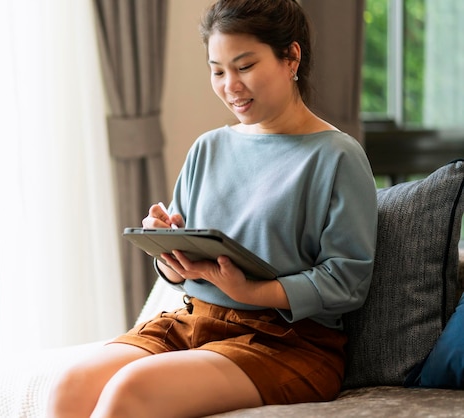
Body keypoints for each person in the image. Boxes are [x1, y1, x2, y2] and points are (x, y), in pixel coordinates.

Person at [49, 0, 377, 416]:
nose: (230, 86)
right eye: (218, 71)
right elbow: (178, 274)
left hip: (286, 341)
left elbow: (347, 280)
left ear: (291, 57)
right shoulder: (208, 148)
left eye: (244, 67)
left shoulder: (337, 157)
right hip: (196, 320)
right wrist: (168, 248)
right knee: (69, 387)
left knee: (129, 391)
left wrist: (252, 291)